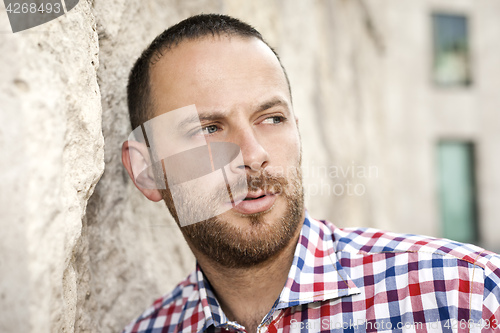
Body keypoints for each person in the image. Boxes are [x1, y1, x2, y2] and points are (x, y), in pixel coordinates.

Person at [121, 14, 500, 333]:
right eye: (208, 129)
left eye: (272, 118)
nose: (254, 154)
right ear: (147, 170)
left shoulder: (466, 296)